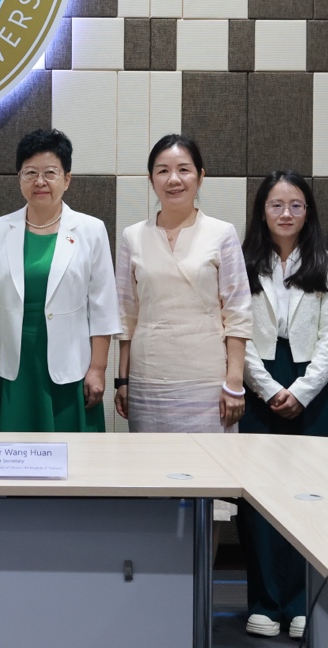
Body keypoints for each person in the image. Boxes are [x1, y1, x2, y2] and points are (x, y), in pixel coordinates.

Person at [237, 172, 328, 640]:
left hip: (315, 386)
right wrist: (266, 387)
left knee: (312, 495)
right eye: (276, 205)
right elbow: (233, 333)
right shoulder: (241, 261)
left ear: (308, 212)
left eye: (296, 205)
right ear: (262, 211)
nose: (286, 214)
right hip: (258, 378)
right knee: (259, 499)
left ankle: (304, 601)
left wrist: (300, 391)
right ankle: (264, 601)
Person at [0, 129, 120, 432]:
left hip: (72, 367)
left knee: (71, 463)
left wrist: (98, 369)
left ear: (67, 179)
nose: (40, 182)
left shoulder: (91, 230)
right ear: (19, 179)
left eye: (50, 173)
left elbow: (103, 308)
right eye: (30, 173)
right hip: (12, 366)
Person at [114, 135, 252, 432]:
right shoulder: (132, 236)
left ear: (201, 176)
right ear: (151, 179)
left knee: (209, 469)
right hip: (147, 378)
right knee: (150, 468)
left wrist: (234, 381)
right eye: (163, 170)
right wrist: (122, 380)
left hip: (208, 379)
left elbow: (238, 312)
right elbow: (126, 315)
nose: (173, 179)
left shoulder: (222, 233)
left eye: (184, 170)